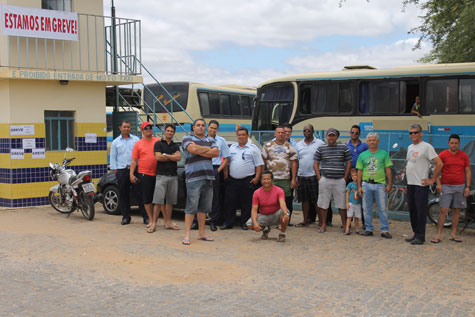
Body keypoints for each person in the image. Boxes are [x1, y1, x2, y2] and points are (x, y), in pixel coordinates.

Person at [181, 118, 219, 245]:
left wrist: (199, 149)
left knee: (204, 208)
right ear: (193, 127)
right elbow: (192, 150)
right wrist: (207, 150)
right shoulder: (187, 138)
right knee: (191, 207)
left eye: (203, 125)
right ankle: (187, 234)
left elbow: (216, 153)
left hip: (208, 177)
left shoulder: (211, 139)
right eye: (198, 125)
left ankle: (201, 233)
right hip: (193, 178)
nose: (201, 127)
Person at [405, 124, 443, 245]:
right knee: (412, 210)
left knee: (420, 210)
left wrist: (432, 179)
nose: (413, 135)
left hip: (420, 184)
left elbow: (439, 163)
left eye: (415, 132)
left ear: (421, 133)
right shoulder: (410, 147)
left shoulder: (427, 147)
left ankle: (421, 236)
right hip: (410, 183)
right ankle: (416, 233)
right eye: (411, 133)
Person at [431, 134, 471, 243]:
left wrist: (467, 186)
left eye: (456, 143)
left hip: (460, 186)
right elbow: (436, 170)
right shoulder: (443, 155)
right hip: (446, 186)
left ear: (459, 144)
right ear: (448, 143)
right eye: (452, 143)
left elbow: (467, 171)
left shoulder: (464, 156)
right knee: (443, 210)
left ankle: (453, 234)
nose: (454, 145)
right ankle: (438, 234)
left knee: (456, 210)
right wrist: (438, 183)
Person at [222, 127, 264, 230]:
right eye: (239, 135)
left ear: (247, 136)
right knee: (230, 202)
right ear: (237, 135)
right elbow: (227, 162)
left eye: (243, 135)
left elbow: (259, 164)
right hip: (233, 180)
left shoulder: (253, 148)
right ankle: (228, 222)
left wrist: (257, 178)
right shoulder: (232, 148)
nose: (241, 137)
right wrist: (226, 175)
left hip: (247, 180)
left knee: (247, 203)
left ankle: (245, 222)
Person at [110, 120, 149, 226]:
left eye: (128, 127)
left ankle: (146, 217)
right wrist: (116, 171)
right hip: (122, 171)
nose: (126, 129)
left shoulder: (136, 140)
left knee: (139, 194)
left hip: (135, 170)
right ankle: (126, 217)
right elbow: (113, 158)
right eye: (124, 127)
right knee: (123, 194)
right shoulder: (116, 142)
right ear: (120, 128)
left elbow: (141, 155)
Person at [314, 128, 351, 233]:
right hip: (325, 179)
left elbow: (348, 162)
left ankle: (344, 225)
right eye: (329, 135)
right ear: (326, 136)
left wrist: (345, 177)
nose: (331, 137)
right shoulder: (321, 148)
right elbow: (316, 162)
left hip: (340, 180)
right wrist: (319, 177)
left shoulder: (343, 147)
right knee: (323, 203)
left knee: (342, 204)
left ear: (337, 137)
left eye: (333, 135)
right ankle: (323, 224)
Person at [356, 132, 393, 238]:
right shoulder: (362, 155)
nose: (372, 142)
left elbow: (388, 169)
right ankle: (368, 228)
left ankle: (384, 230)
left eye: (374, 140)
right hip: (366, 184)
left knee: (382, 208)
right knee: (366, 208)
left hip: (380, 184)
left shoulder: (384, 154)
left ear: (378, 141)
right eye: (370, 140)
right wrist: (359, 186)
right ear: (367, 142)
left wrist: (389, 184)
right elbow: (359, 171)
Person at [261, 126, 298, 224]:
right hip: (271, 179)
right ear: (275, 134)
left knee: (287, 200)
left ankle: (286, 220)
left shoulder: (289, 146)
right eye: (279, 132)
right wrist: (263, 177)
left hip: (285, 178)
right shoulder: (268, 145)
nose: (281, 134)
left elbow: (294, 163)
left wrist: (293, 179)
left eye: (283, 133)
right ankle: (271, 220)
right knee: (270, 200)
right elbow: (263, 161)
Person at [130, 122, 161, 232]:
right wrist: (131, 174)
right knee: (147, 199)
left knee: (157, 199)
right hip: (144, 174)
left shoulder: (158, 141)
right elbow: (134, 160)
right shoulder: (138, 144)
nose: (148, 130)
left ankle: (156, 221)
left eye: (150, 128)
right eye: (146, 128)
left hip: (158, 173)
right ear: (142, 131)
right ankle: (150, 220)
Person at [246, 170, 290, 242]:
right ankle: (266, 228)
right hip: (264, 215)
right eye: (264, 179)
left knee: (285, 214)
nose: (266, 181)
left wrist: (285, 214)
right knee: (250, 225)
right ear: (261, 180)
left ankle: (282, 233)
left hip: (276, 215)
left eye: (268, 179)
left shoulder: (279, 190)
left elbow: (282, 203)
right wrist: (255, 223)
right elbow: (254, 210)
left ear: (272, 180)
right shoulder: (256, 193)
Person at [153, 124, 181, 231]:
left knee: (170, 201)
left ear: (174, 133)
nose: (169, 133)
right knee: (158, 201)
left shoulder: (175, 145)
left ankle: (168, 222)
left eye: (171, 131)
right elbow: (158, 157)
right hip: (161, 176)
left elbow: (178, 157)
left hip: (173, 176)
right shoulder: (158, 144)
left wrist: (166, 155)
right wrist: (171, 156)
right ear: (164, 131)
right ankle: (154, 224)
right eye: (168, 131)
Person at [295, 124, 324, 227]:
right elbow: (296, 161)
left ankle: (321, 221)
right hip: (302, 175)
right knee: (304, 200)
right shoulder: (298, 145)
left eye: (308, 130)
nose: (306, 132)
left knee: (317, 200)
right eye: (305, 130)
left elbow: (323, 159)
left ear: (313, 131)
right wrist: (296, 177)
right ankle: (305, 220)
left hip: (314, 175)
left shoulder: (320, 143)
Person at [207, 120, 230, 232]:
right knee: (200, 195)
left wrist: (218, 171)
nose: (213, 130)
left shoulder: (221, 141)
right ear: (208, 127)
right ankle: (197, 221)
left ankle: (213, 221)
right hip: (202, 169)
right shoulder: (202, 139)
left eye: (215, 128)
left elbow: (226, 158)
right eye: (211, 127)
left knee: (214, 197)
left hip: (215, 169)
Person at [345, 168, 362, 235]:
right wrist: (347, 203)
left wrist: (360, 194)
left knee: (357, 217)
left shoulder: (360, 185)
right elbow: (347, 194)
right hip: (351, 203)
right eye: (353, 176)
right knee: (349, 216)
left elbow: (361, 195)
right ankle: (347, 229)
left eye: (356, 175)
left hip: (358, 203)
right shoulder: (350, 184)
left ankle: (357, 229)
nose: (354, 177)